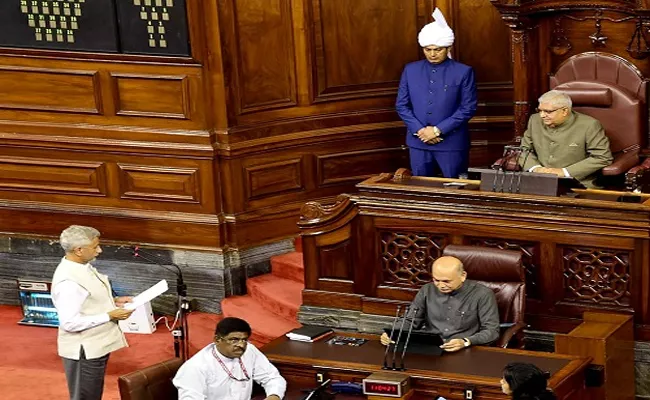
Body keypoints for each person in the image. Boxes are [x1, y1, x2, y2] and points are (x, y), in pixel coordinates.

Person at [52, 225, 134, 400]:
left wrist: (114, 302)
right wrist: (109, 315)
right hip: (83, 351)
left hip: (95, 345)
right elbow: (70, 323)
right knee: (86, 397)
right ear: (79, 250)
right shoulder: (69, 282)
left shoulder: (82, 266)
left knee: (93, 394)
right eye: (95, 246)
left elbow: (88, 300)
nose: (99, 250)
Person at [396, 8, 478, 178]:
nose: (432, 54)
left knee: (456, 191)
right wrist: (421, 131)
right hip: (418, 142)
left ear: (448, 47)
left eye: (437, 49)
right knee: (422, 191)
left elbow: (468, 108)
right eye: (427, 49)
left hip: (452, 143)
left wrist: (437, 130)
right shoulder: (410, 70)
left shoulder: (463, 71)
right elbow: (402, 105)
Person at [380, 256, 499, 352]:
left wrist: (466, 341)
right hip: (430, 347)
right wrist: (392, 333)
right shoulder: (427, 290)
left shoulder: (483, 294)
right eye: (436, 280)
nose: (441, 285)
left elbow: (491, 331)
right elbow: (411, 320)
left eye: (447, 281)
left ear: (463, 276)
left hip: (463, 349)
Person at [173, 317, 286, 400]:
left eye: (244, 340)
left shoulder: (249, 351)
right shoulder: (196, 367)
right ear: (217, 340)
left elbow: (272, 378)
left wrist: (274, 396)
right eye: (234, 340)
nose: (241, 345)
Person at [519, 90, 613, 188]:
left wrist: (564, 172)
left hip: (576, 183)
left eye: (548, 111)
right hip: (537, 181)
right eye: (540, 110)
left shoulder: (589, 125)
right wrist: (536, 168)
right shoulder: (534, 120)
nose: (542, 115)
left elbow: (602, 157)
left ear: (564, 111)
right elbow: (524, 150)